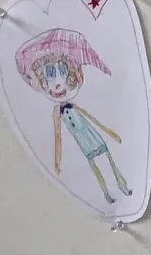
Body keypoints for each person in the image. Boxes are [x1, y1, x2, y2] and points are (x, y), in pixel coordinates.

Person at [15, 28, 131, 204]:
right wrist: (57, 159)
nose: (58, 84)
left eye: (62, 71)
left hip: (91, 135)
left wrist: (109, 132)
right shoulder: (58, 112)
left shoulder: (74, 106)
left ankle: (122, 184)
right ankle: (106, 193)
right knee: (94, 165)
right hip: (83, 142)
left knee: (108, 158)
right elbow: (58, 135)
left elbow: (90, 119)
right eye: (50, 74)